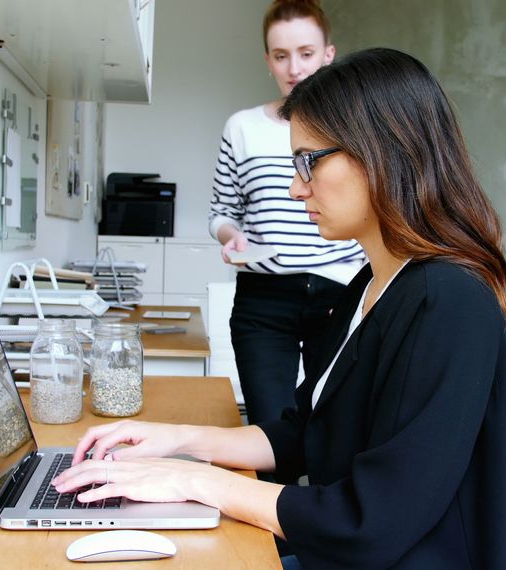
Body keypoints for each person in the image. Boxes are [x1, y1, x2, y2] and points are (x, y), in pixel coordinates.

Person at [55, 47, 506, 569]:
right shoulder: (370, 285)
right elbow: (301, 433)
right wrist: (175, 441)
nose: (296, 188)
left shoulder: (447, 300)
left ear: (383, 150)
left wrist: (194, 479)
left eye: (308, 162)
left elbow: (371, 522)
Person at [208, 0, 365, 426]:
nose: (294, 68)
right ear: (268, 61)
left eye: (306, 53)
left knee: (334, 431)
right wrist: (230, 237)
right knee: (270, 432)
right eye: (281, 56)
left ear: (328, 55)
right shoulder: (242, 128)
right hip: (264, 299)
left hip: (340, 294)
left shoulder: (356, 129)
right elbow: (221, 212)